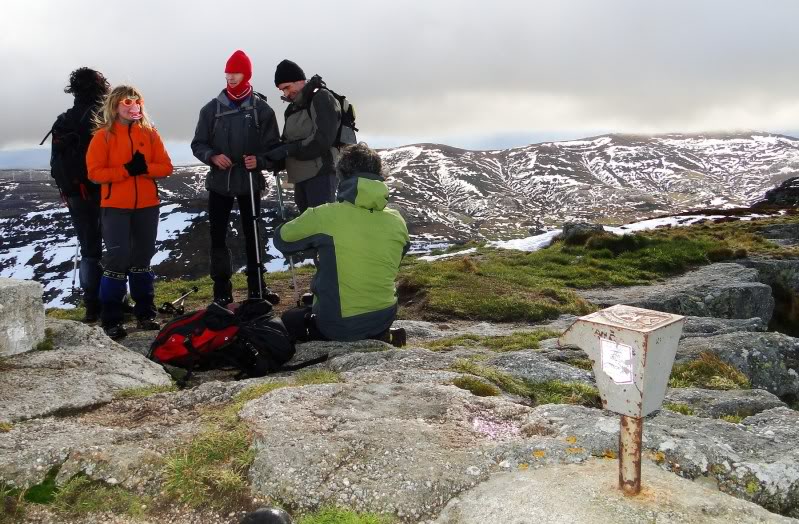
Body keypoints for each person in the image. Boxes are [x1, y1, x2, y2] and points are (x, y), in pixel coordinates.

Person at [274, 143, 410, 345]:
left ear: (341, 175)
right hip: (384, 315)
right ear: (380, 175)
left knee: (289, 320)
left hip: (339, 325)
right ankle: (380, 335)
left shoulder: (324, 215)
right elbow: (397, 255)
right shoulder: (397, 219)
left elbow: (282, 239)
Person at [191, 50, 282, 306]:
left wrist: (260, 161)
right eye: (228, 72)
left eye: (236, 72)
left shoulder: (261, 110)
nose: (231, 77)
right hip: (220, 183)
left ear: (247, 74)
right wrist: (211, 156)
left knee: (253, 234)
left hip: (249, 181)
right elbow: (198, 144)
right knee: (217, 236)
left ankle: (258, 289)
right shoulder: (210, 110)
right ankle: (222, 291)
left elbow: (274, 148)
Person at [86, 85, 173, 339]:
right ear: (115, 105)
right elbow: (94, 173)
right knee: (117, 260)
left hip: (147, 205)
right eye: (127, 101)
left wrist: (143, 168)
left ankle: (146, 312)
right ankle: (111, 317)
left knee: (142, 259)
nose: (133, 105)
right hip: (115, 207)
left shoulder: (150, 133)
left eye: (137, 101)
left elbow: (166, 167)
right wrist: (126, 170)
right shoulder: (102, 137)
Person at [46, 67, 110, 322]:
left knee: (89, 249)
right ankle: (114, 301)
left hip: (74, 193)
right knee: (116, 246)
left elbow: (54, 164)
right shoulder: (104, 117)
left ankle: (92, 306)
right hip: (104, 189)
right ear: (99, 86)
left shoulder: (63, 120)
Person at [266, 59, 341, 213]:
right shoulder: (292, 109)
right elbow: (287, 142)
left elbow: (323, 139)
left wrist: (288, 150)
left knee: (321, 229)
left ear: (300, 81)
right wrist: (275, 159)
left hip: (321, 176)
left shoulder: (321, 97)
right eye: (282, 90)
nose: (286, 93)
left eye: (287, 87)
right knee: (307, 231)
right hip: (300, 179)